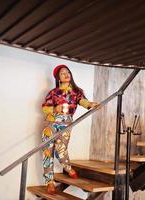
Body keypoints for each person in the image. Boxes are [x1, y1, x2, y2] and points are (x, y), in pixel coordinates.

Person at [41, 64, 98, 194]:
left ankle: (67, 167)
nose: (66, 74)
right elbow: (44, 108)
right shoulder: (53, 92)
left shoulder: (76, 92)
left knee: (61, 150)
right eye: (62, 73)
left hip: (66, 122)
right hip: (50, 122)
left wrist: (90, 104)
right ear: (58, 78)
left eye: (68, 72)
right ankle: (49, 182)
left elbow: (83, 101)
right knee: (47, 152)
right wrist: (55, 109)